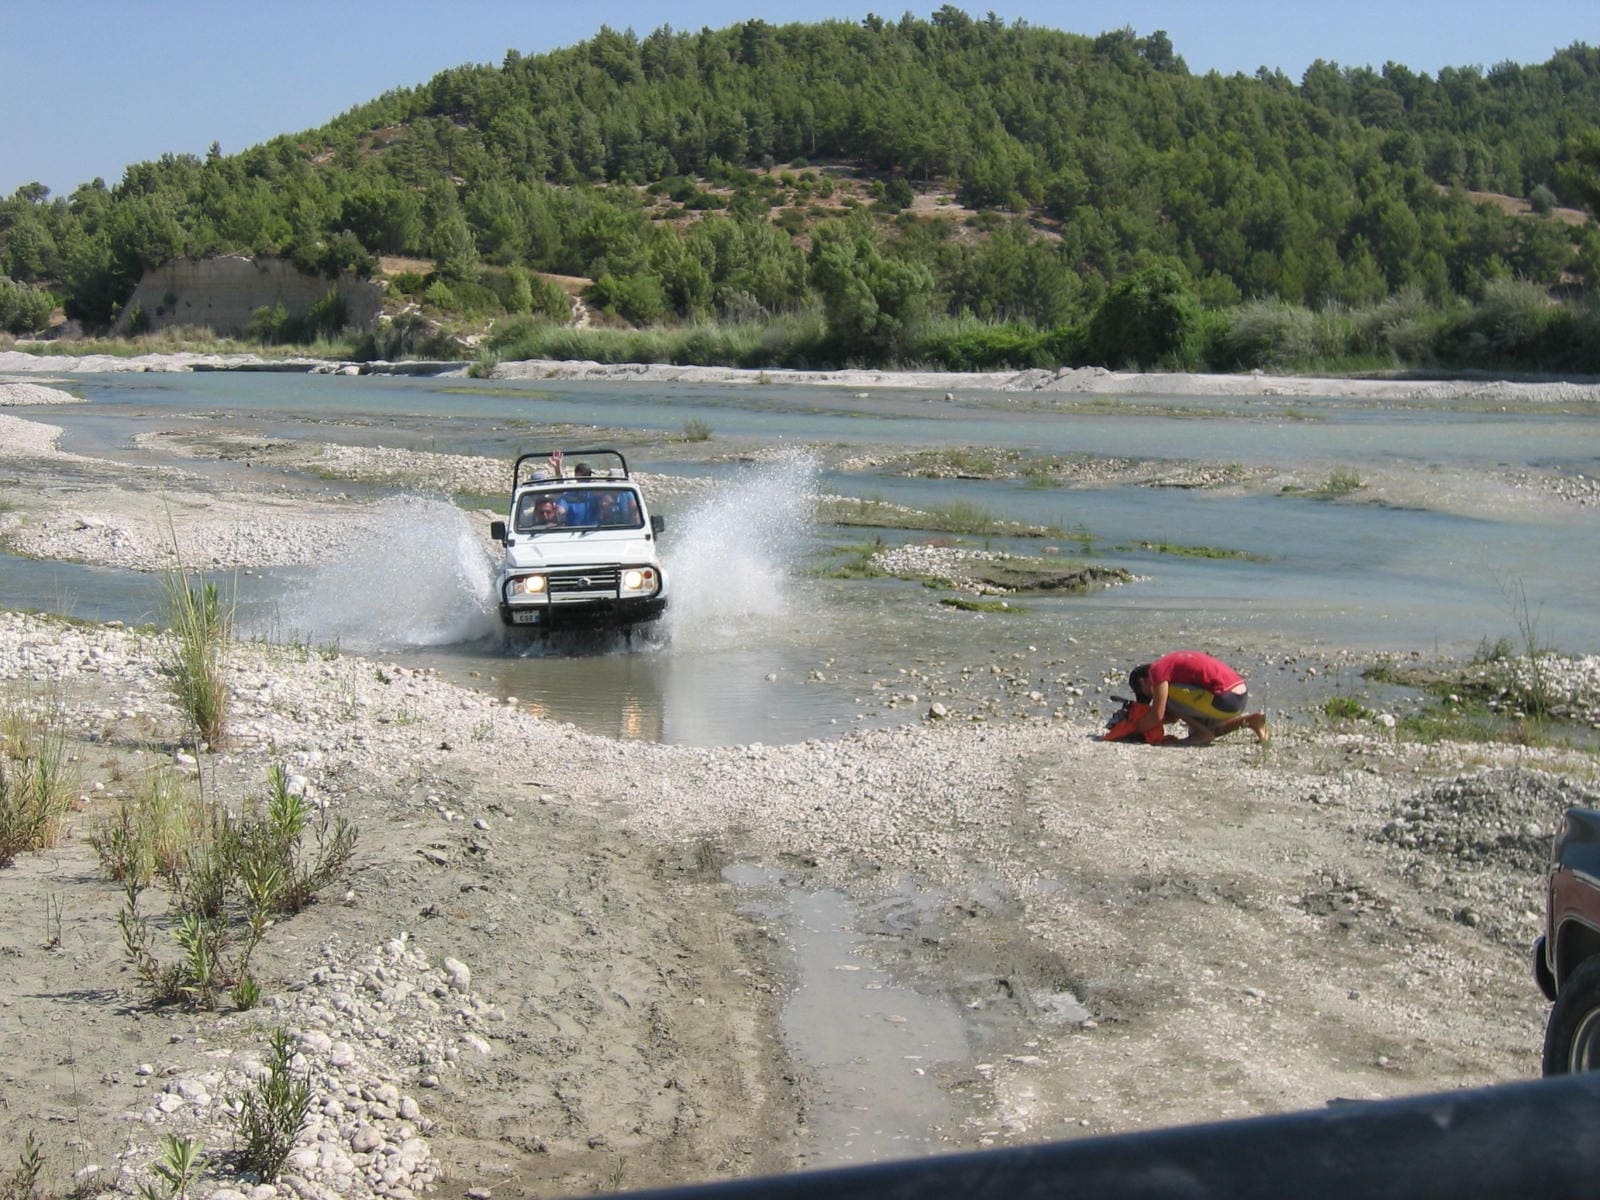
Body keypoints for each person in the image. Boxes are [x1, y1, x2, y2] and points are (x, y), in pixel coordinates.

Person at [1127, 651, 1269, 745]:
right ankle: (1252, 721)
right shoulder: (1169, 665)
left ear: (1142, 681)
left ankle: (1202, 734)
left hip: (1224, 698)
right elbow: (1172, 716)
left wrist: (1131, 730)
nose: (1152, 697)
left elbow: (1157, 715)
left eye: (1147, 695)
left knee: (1168, 697)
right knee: (1212, 730)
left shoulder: (1156, 671)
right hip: (1238, 697)